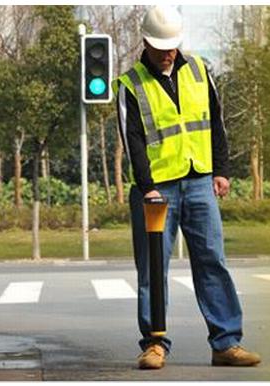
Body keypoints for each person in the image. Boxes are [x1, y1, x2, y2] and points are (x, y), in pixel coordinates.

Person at [112, 5, 261, 370]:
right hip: (156, 190)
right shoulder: (130, 85)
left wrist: (221, 170)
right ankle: (155, 344)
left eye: (173, 45)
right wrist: (146, 186)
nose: (169, 52)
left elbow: (216, 123)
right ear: (145, 42)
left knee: (213, 261)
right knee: (153, 268)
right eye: (162, 46)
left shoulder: (199, 70)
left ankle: (226, 343)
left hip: (199, 182)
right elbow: (132, 141)